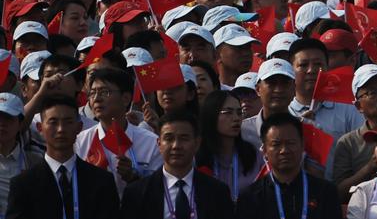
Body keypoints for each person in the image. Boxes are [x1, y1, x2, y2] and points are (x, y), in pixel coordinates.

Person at [6, 94, 120, 219]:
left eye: (68, 122)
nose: (61, 129)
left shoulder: (102, 181)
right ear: (40, 128)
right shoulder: (23, 184)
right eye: (53, 122)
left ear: (79, 127)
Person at [119, 111, 236, 219]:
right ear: (159, 144)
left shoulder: (218, 192)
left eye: (184, 138)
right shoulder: (137, 193)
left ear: (197, 143)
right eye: (169, 138)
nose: (176, 146)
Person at [74, 67, 163, 195]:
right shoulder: (80, 141)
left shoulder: (151, 143)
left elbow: (159, 189)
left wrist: (134, 177)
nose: (96, 99)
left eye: (104, 92)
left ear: (126, 98)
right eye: (92, 93)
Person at [234, 113, 341, 219]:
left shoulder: (326, 192)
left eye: (291, 143)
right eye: (276, 144)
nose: (284, 150)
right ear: (265, 150)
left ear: (302, 145)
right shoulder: (250, 197)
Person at [333, 64, 377, 201]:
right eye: (372, 93)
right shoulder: (348, 143)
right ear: (358, 106)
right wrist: (369, 167)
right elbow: (339, 193)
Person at [197, 89, 262, 203]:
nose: (236, 118)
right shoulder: (197, 156)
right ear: (211, 115)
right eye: (228, 112)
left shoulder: (253, 155)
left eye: (239, 112)